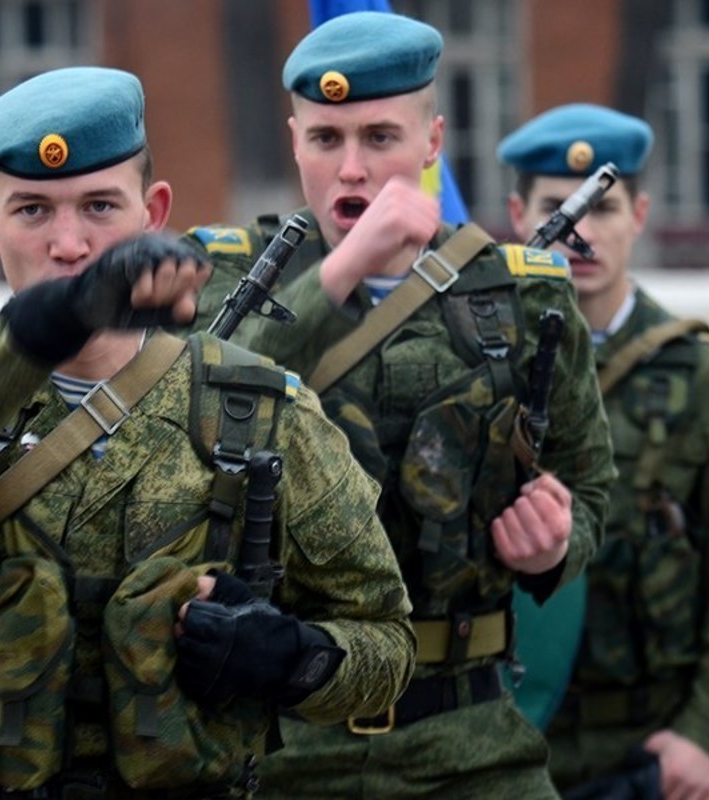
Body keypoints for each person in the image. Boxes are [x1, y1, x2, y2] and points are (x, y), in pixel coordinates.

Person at [0, 66, 416, 800]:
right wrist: (38, 332)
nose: (69, 244)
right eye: (32, 211)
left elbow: (385, 640)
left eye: (99, 206)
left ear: (153, 212)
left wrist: (292, 657)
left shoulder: (259, 410)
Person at [184, 13, 615, 799]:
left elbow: (588, 485)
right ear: (294, 142)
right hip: (278, 739)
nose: (352, 168)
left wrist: (555, 544)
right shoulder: (231, 281)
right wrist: (346, 267)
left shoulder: (520, 293)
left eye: (380, 137)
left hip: (468, 736)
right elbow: (196, 417)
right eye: (326, 139)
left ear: (432, 141)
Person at [499, 103, 709, 800]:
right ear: (518, 215)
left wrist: (707, 736)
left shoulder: (708, 378)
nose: (584, 234)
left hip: (651, 742)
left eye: (606, 208)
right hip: (503, 743)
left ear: (641, 214)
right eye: (561, 209)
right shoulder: (477, 363)